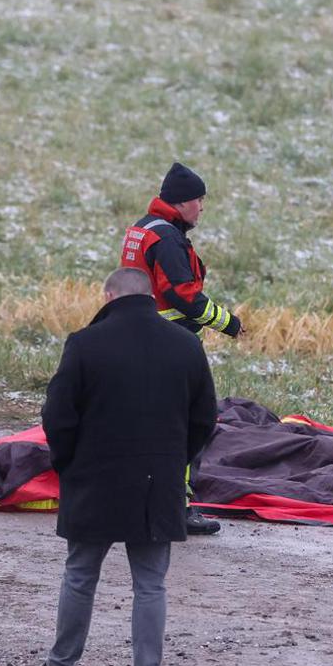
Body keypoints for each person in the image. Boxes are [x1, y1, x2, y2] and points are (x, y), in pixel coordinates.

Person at [23, 267, 218, 666]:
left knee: (80, 576)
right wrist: (174, 462)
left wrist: (69, 464)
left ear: (110, 296)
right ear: (150, 297)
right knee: (151, 585)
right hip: (158, 484)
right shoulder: (186, 344)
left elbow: (58, 416)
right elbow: (205, 417)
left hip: (94, 479)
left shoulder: (85, 344)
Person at [119, 161, 241, 536]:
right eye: (199, 200)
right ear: (183, 202)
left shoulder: (143, 228)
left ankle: (136, 500)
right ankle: (179, 507)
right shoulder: (168, 239)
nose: (202, 208)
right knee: (188, 425)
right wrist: (228, 323)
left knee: (143, 426)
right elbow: (181, 294)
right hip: (169, 347)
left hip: (135, 338)